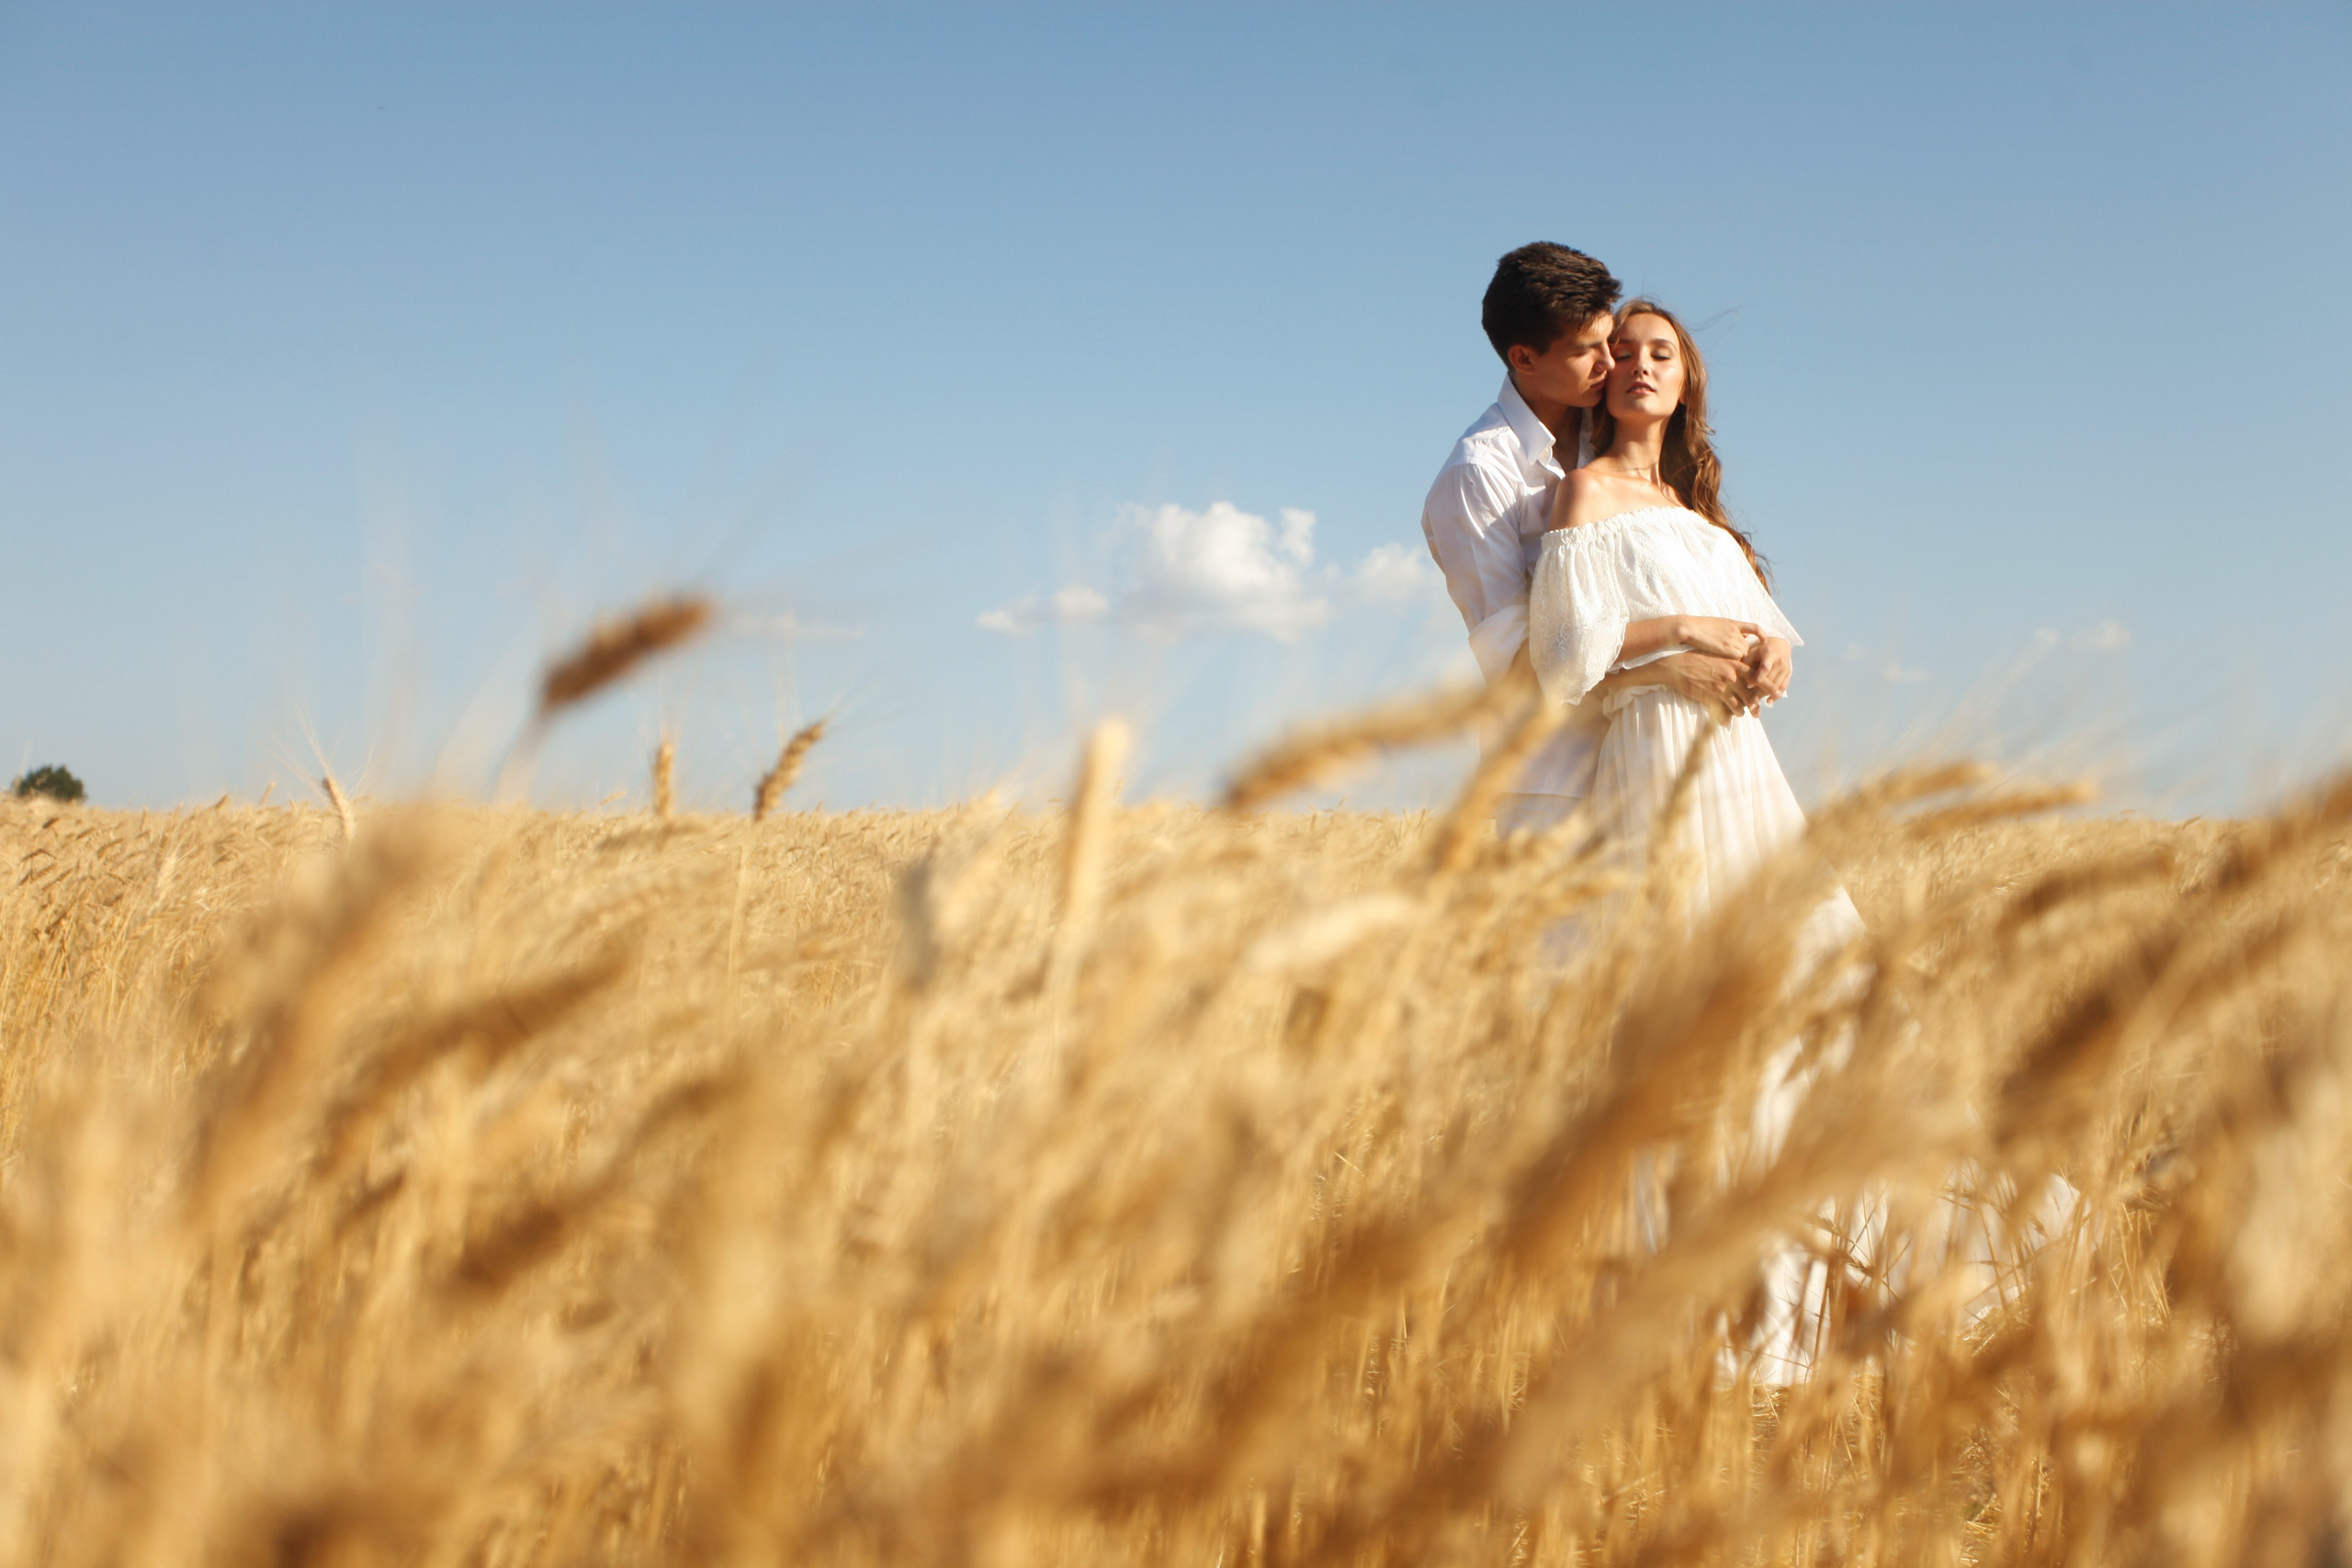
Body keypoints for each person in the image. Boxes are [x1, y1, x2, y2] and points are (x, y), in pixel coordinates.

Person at [1530, 299, 1870, 1382]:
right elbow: (1561, 657)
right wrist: (1681, 637)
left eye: (1658, 353)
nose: (1636, 366)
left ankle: (1806, 1281)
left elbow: (1770, 645)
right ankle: (1690, 1304)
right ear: (1598, 378)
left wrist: (1769, 658)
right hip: (1654, 764)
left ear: (1686, 382)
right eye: (1619, 353)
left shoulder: (1706, 519)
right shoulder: (1584, 493)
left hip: (1739, 773)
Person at [1420, 245, 1759, 840]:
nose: (1613, 364)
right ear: (1523, 357)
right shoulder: (1475, 477)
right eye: (1588, 351)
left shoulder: (1614, 431)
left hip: (1661, 759)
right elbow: (1521, 674)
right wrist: (1671, 661)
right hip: (1555, 782)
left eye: (1612, 342)